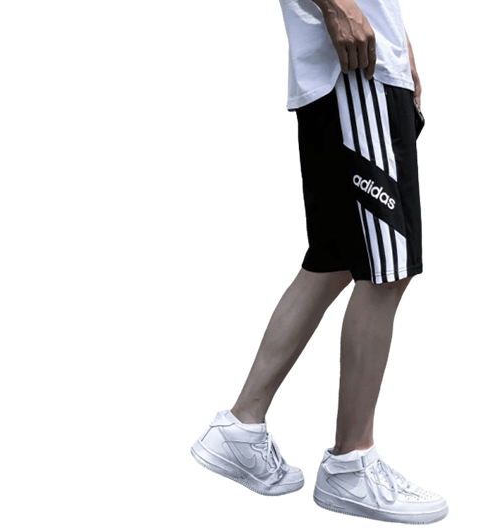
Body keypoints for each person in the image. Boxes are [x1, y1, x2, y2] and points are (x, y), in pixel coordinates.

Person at [190, 0, 447, 524]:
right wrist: (337, 6)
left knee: (335, 259)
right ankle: (352, 463)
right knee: (386, 268)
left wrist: (403, 48)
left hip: (366, 63)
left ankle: (241, 426)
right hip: (355, 71)